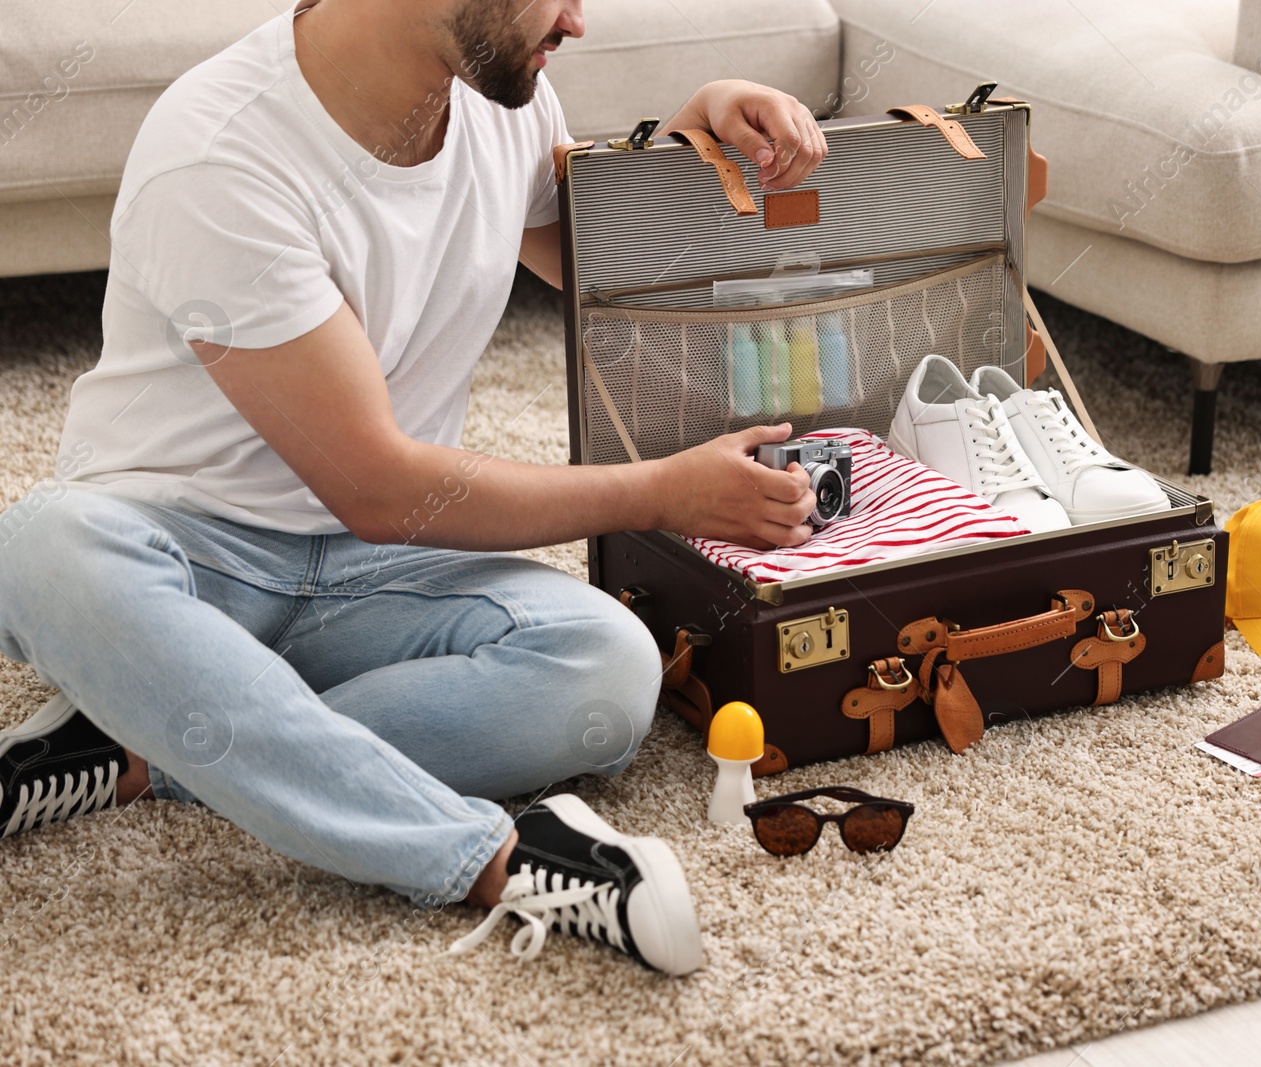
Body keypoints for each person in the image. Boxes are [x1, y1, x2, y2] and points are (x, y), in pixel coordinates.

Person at [0, 0, 828, 976]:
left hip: (373, 580)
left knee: (608, 666)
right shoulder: (219, 153)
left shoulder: (498, 93)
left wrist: (696, 126)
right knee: (45, 546)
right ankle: (500, 859)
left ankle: (148, 738)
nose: (577, 18)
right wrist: (656, 493)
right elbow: (379, 486)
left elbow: (616, 276)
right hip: (184, 560)